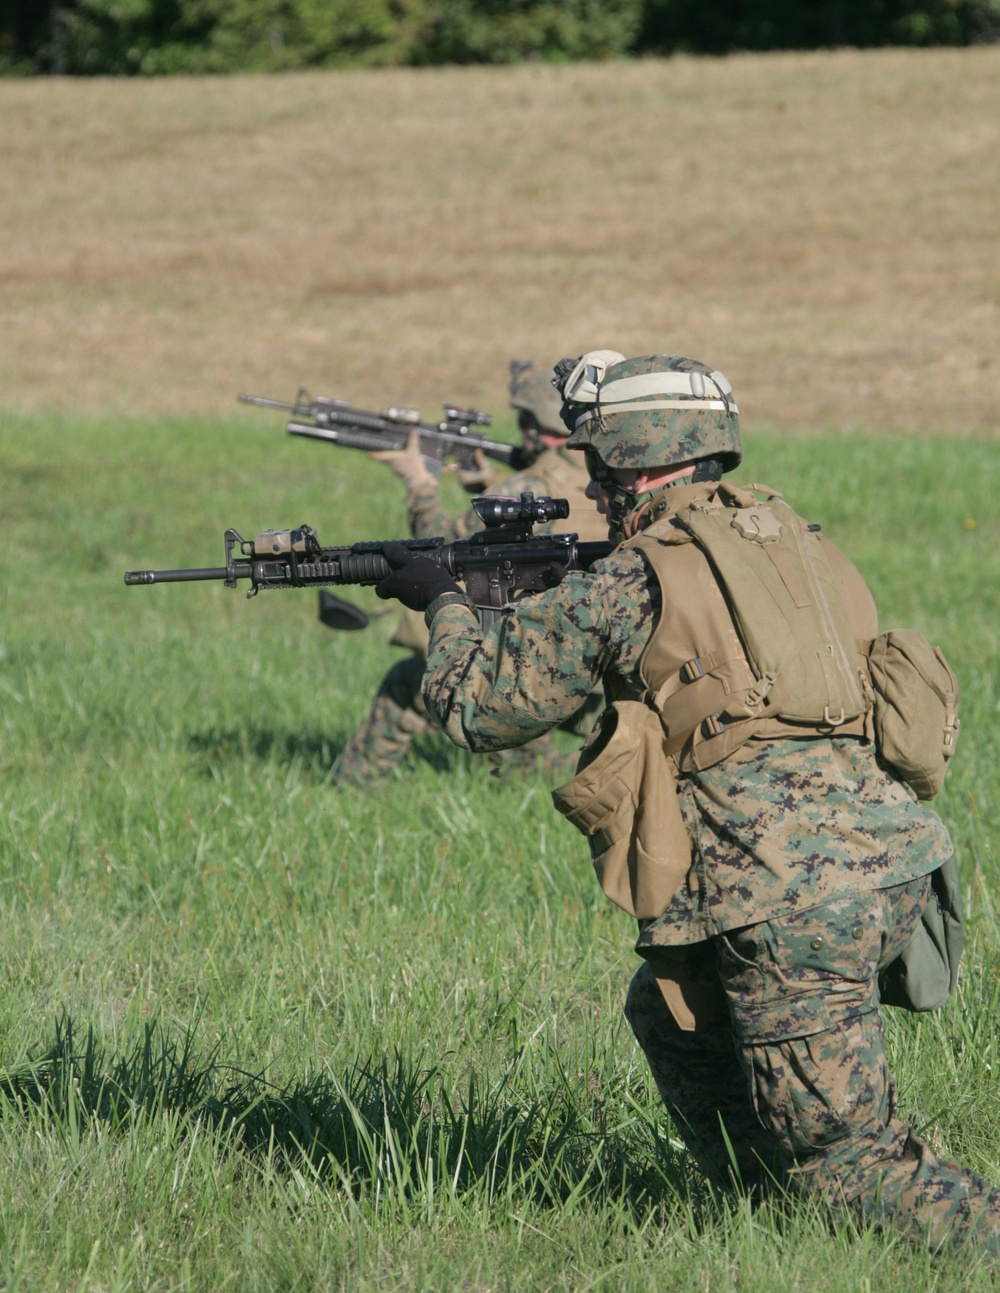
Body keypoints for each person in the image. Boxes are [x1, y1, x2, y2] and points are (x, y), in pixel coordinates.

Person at [370, 349, 1000, 1255]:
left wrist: (445, 601)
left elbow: (479, 708)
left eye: (596, 462)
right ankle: (769, 1226)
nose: (589, 480)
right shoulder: (803, 540)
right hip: (893, 867)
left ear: (624, 458)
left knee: (850, 1160)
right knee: (672, 1013)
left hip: (788, 898)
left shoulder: (635, 578)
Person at [331, 361, 607, 784]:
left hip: (539, 659)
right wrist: (490, 482)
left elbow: (439, 553)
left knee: (409, 682)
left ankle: (348, 789)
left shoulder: (527, 486)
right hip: (602, 660)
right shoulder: (606, 482)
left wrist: (420, 485)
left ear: (533, 427)